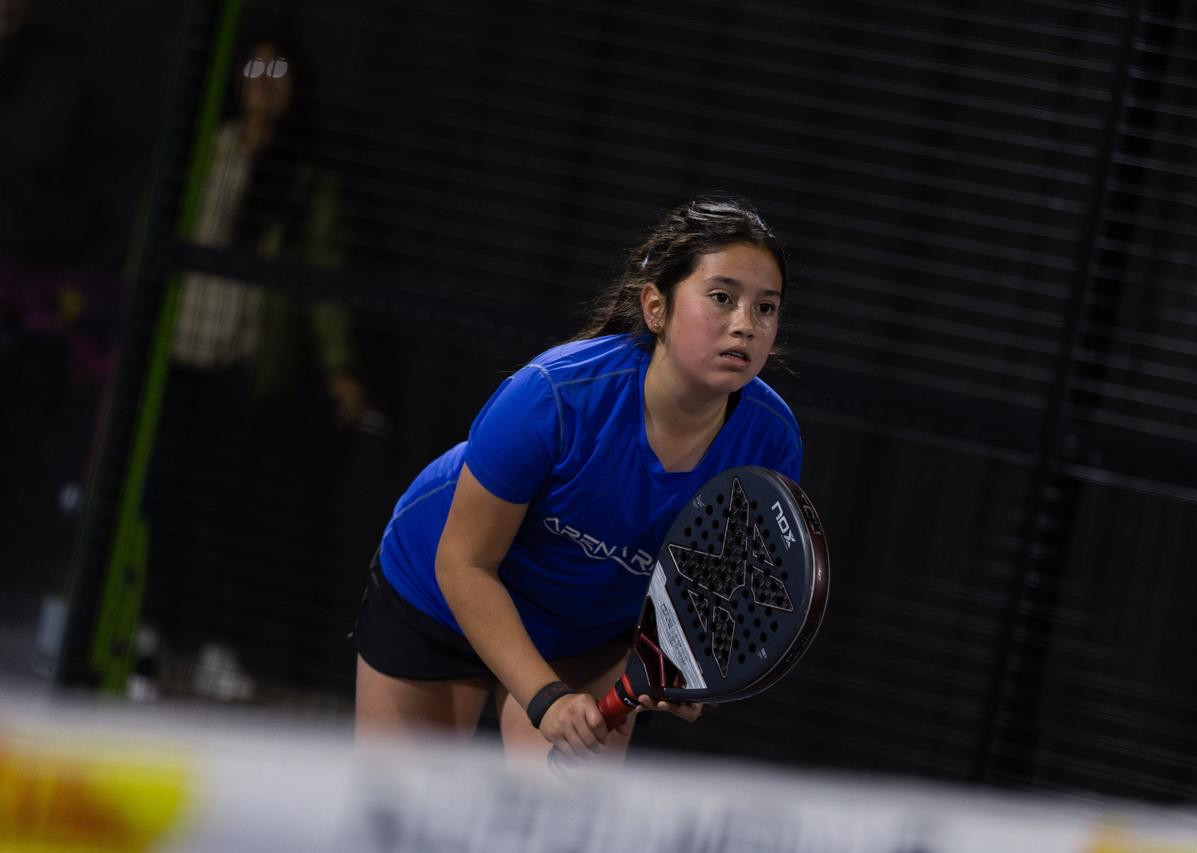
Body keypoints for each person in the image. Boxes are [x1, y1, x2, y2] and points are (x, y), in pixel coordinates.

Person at [352, 196, 803, 766]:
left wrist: (683, 667)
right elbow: (464, 563)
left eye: (766, 307)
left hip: (586, 637)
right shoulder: (550, 396)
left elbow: (714, 586)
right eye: (722, 297)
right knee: (403, 809)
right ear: (656, 307)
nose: (745, 324)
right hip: (442, 596)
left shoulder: (772, 442)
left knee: (563, 816)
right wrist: (545, 698)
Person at [141, 34, 364, 699]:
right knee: (159, 496)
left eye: (280, 70)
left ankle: (212, 642)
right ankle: (146, 633)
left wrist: (339, 367)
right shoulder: (199, 150)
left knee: (227, 508)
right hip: (172, 352)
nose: (265, 81)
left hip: (241, 361)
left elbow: (322, 274)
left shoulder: (302, 175)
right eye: (255, 67)